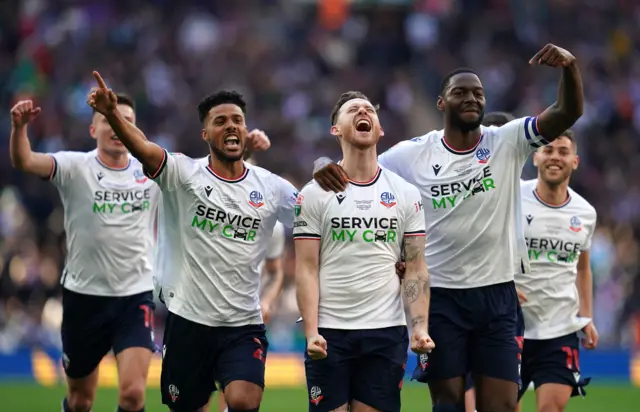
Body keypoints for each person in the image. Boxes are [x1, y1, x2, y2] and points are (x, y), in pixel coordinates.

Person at [312, 44, 584, 412]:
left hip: (497, 296)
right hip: (441, 299)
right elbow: (360, 165)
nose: (471, 97)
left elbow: (568, 111)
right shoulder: (413, 154)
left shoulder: (506, 140)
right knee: (449, 402)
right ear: (441, 103)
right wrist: (322, 163)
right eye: (460, 92)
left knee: (501, 405)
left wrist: (568, 68)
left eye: (478, 93)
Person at [87, 71, 298, 412]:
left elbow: (316, 217)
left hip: (243, 323)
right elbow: (143, 148)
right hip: (188, 322)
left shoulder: (272, 187)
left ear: (245, 131)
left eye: (238, 120)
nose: (231, 125)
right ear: (205, 133)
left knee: (245, 400)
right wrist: (112, 114)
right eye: (220, 121)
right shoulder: (184, 174)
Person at [9, 96, 159, 412]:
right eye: (108, 118)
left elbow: (205, 174)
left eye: (125, 120)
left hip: (135, 296)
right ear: (93, 129)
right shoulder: (74, 166)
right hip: (84, 299)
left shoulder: (153, 172)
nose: (118, 125)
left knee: (133, 395)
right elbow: (25, 161)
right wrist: (19, 129)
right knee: (81, 401)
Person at [295, 91, 434, 412]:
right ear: (336, 130)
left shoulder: (405, 194)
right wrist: (311, 332)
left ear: (380, 129)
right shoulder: (315, 193)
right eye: (353, 110)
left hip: (385, 332)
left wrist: (419, 328)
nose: (363, 112)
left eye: (370, 110)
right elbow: (306, 268)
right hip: (331, 332)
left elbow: (415, 266)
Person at [517, 129, 598, 412]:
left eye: (563, 151)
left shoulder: (586, 213)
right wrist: (502, 285)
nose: (555, 157)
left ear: (574, 161)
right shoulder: (512, 198)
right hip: (510, 325)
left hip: (559, 328)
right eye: (548, 150)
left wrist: (586, 316)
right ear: (536, 156)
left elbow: (583, 269)